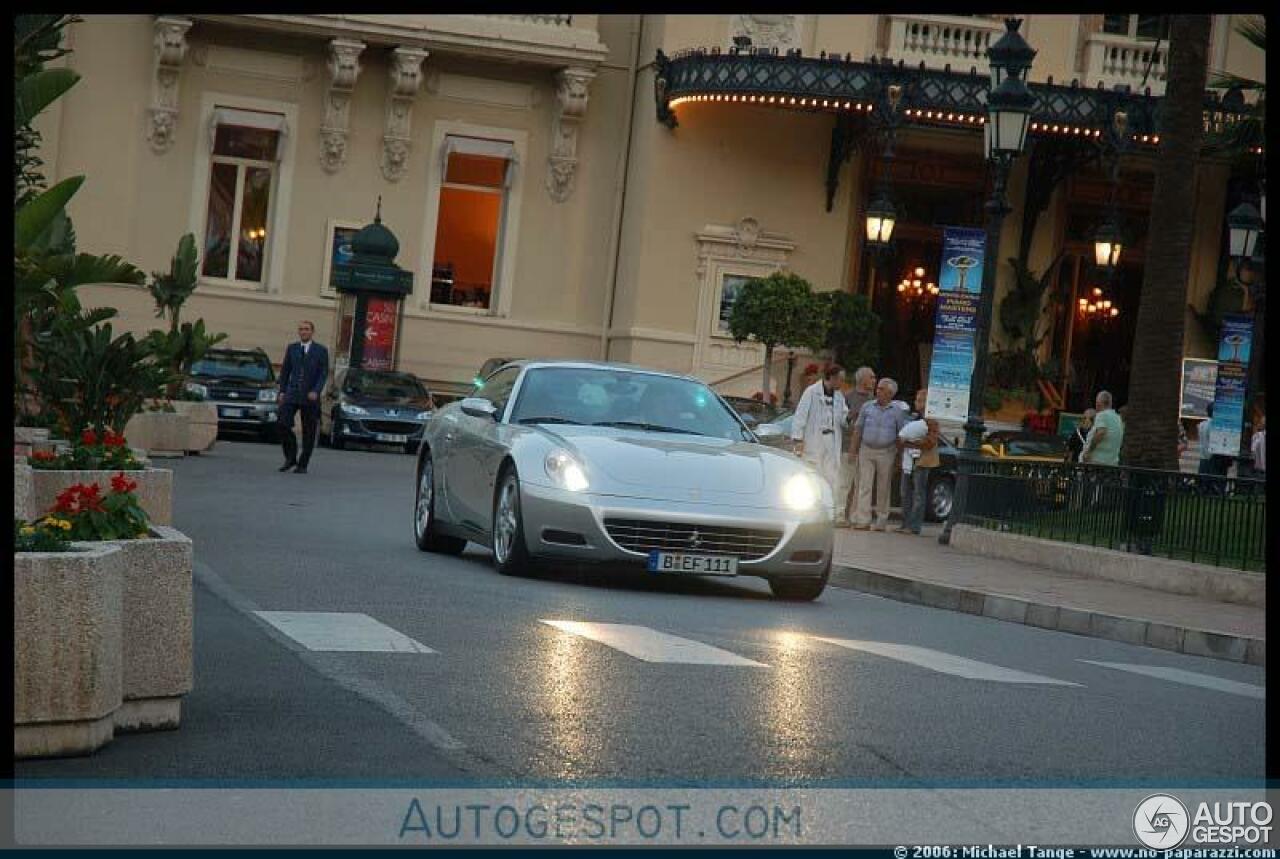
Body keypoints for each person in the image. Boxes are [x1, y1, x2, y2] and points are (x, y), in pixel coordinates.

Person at [849, 377, 908, 530]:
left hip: (887, 452)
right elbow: (858, 428)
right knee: (864, 485)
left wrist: (899, 458)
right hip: (866, 449)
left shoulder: (897, 412)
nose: (878, 391)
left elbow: (901, 434)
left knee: (884, 486)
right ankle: (863, 520)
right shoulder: (867, 407)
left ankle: (881, 520)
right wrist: (853, 450)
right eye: (878, 388)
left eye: (882, 389)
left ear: (890, 393)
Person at [791, 365, 849, 508]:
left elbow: (843, 418)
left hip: (831, 441)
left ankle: (827, 507)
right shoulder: (811, 392)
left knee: (831, 476)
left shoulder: (839, 397)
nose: (842, 383)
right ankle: (809, 506)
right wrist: (798, 439)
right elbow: (800, 416)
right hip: (814, 440)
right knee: (813, 475)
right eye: (840, 379)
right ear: (833, 378)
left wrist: (849, 418)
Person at [276, 320, 329, 474]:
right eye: (301, 329)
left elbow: (323, 373)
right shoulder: (292, 348)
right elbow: (285, 371)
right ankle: (290, 457)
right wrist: (282, 391)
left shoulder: (321, 350)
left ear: (312, 332)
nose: (303, 332)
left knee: (309, 431)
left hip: (310, 395)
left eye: (306, 329)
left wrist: (316, 391)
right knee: (282, 423)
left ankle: (303, 464)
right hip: (292, 393)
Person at [896, 388, 940, 536]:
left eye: (920, 400)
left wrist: (910, 443)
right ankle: (905, 523)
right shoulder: (913, 418)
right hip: (908, 460)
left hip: (922, 461)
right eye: (917, 399)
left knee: (918, 493)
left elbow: (931, 442)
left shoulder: (932, 421)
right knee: (905, 492)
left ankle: (914, 526)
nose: (916, 402)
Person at [839, 366, 876, 526]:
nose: (874, 380)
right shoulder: (847, 397)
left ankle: (856, 517)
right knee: (844, 483)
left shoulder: (874, 400)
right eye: (872, 377)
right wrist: (849, 418)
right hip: (848, 446)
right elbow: (841, 421)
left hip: (867, 448)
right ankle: (839, 515)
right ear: (862, 380)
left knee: (862, 485)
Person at [1080, 390, 1123, 466]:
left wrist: (1088, 452)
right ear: (1110, 403)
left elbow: (1101, 432)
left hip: (1096, 462)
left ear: (1098, 403)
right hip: (1111, 462)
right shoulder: (1118, 418)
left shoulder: (1102, 415)